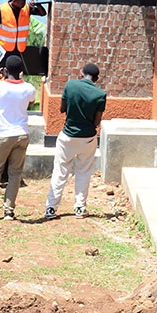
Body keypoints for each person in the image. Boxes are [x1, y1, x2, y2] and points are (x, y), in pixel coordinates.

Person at [44, 63, 106, 219]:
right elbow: (97, 121)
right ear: (96, 79)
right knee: (84, 172)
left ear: (81, 73)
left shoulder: (70, 85)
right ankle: (79, 207)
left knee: (60, 170)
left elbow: (62, 109)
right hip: (88, 139)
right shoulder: (100, 94)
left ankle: (51, 208)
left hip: (67, 137)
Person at [0, 55, 35, 221]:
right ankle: (9, 211)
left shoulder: (0, 86)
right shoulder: (29, 88)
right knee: (15, 174)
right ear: (21, 71)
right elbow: (30, 102)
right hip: (21, 134)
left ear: (5, 70)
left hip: (2, 135)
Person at [0, 0, 46, 66]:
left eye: (25, 1)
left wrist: (37, 4)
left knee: (16, 73)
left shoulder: (26, 8)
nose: (24, 4)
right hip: (3, 50)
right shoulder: (2, 10)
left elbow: (43, 13)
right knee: (2, 73)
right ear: (14, 1)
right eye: (22, 2)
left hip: (19, 50)